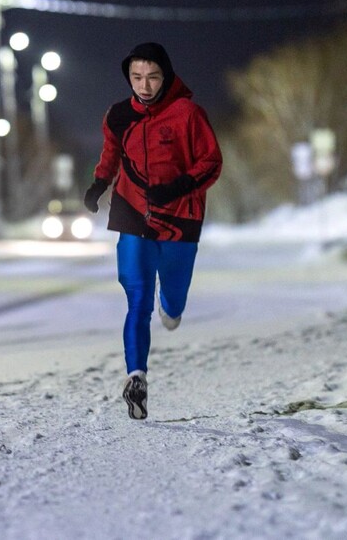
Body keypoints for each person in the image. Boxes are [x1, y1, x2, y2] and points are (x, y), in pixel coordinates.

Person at [83, 42, 222, 420]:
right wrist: (98, 184)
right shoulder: (118, 115)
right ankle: (136, 376)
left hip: (179, 216)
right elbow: (111, 154)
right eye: (137, 77)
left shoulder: (188, 114)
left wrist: (178, 187)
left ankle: (172, 306)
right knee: (138, 297)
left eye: (153, 77)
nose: (144, 86)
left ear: (167, 75)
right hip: (132, 213)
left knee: (172, 299)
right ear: (129, 78)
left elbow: (212, 162)